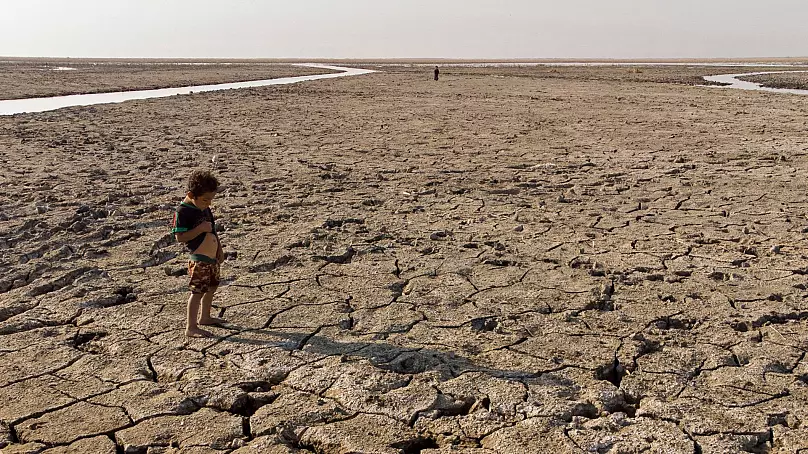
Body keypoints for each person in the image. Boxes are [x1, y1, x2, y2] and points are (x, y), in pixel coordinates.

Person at [171, 170, 225, 337]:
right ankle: (191, 327)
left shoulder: (204, 207)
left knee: (211, 288)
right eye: (205, 199)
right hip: (199, 259)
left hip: (212, 257)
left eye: (211, 200)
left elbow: (213, 230)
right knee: (198, 292)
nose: (208, 204)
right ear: (190, 194)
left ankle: (205, 317)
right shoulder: (183, 211)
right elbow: (180, 237)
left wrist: (219, 249)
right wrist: (199, 229)